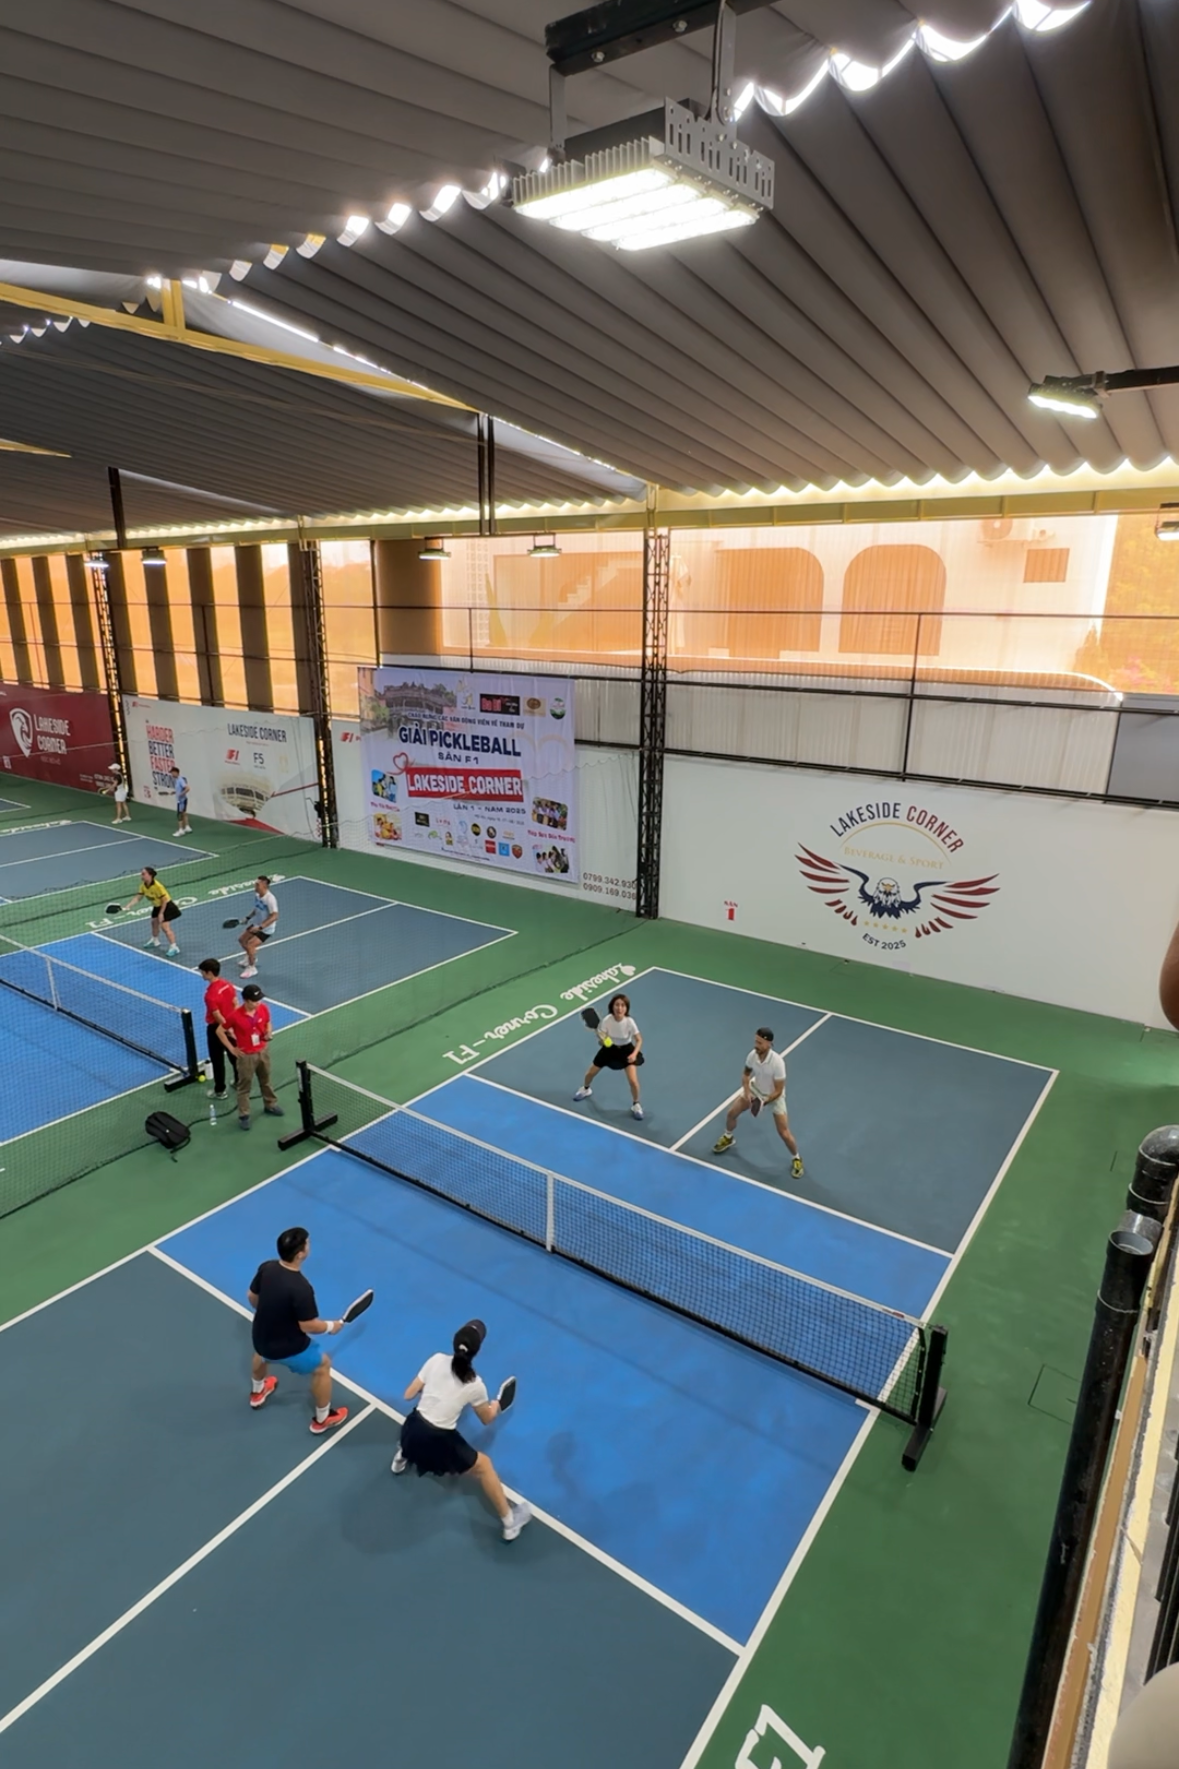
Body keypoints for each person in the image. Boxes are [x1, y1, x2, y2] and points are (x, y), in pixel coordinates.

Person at [391, 1319, 530, 1542]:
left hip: (411, 1430)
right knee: (485, 1466)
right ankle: (510, 1523)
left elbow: (408, 1394)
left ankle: (401, 1458)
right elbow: (487, 1419)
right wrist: (496, 1406)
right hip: (438, 1441)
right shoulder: (475, 1385)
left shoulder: (435, 1359)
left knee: (417, 1423)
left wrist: (434, 1392)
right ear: (477, 1350)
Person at [246, 1226, 348, 1434]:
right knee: (323, 1365)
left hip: (261, 1336)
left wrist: (269, 1315)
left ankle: (258, 1392)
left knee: (261, 1354)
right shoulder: (301, 1288)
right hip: (287, 1347)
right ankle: (323, 1418)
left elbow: (252, 1297)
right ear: (301, 1254)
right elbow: (308, 1325)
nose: (309, 1245)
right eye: (307, 1243)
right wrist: (331, 1327)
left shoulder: (267, 1268)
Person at [712, 1026, 804, 1177]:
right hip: (755, 1090)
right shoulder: (752, 1055)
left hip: (773, 1097)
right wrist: (747, 1092)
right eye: (756, 1041)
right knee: (731, 1113)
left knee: (784, 1132)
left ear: (769, 1044)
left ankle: (796, 1158)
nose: (756, 1045)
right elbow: (746, 1075)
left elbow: (778, 1090)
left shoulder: (778, 1063)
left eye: (760, 1043)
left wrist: (763, 1102)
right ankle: (728, 1137)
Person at [219, 981, 284, 1129]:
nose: (258, 1002)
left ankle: (270, 1104)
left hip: (263, 1051)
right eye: (255, 1000)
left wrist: (269, 1031)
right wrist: (231, 1049)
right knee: (244, 1086)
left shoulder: (263, 1008)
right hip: (246, 1056)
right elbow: (220, 1031)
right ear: (246, 1000)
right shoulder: (235, 1016)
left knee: (266, 1080)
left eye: (259, 999)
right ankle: (244, 1115)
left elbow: (268, 1022)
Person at [573, 991, 645, 1120]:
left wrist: (634, 1054)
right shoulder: (607, 1021)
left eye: (622, 1005)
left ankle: (636, 1104)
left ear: (626, 1008)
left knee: (633, 1082)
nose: (619, 1008)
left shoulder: (629, 1022)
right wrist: (603, 1041)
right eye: (617, 1005)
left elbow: (639, 1040)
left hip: (627, 1051)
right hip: (609, 1050)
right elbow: (604, 1040)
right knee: (590, 1073)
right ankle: (586, 1089)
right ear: (612, 1006)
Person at [198, 957, 237, 1102]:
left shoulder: (210, 995)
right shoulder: (228, 984)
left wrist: (227, 1029)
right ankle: (239, 1082)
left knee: (217, 1060)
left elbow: (217, 1015)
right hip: (231, 1024)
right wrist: (233, 1025)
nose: (201, 974)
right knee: (234, 1055)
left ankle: (220, 1090)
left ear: (209, 973)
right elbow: (235, 1003)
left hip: (216, 1029)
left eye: (202, 972)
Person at [122, 865, 181, 956]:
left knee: (165, 927)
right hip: (157, 906)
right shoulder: (143, 886)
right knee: (154, 922)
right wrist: (128, 906)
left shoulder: (158, 886)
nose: (141, 876)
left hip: (167, 907)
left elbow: (164, 900)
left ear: (150, 875)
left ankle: (174, 947)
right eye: (141, 874)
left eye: (143, 874)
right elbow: (138, 897)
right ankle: (155, 940)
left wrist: (161, 913)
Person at [237, 875, 279, 979]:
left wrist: (260, 927)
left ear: (264, 885)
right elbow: (257, 908)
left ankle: (252, 968)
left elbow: (275, 916)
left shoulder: (270, 899)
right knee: (242, 940)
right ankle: (250, 957)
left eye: (257, 884)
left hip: (266, 929)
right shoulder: (257, 895)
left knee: (251, 945)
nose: (255, 886)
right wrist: (247, 918)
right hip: (256, 923)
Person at [169, 763, 191, 836]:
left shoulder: (180, 780)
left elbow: (187, 788)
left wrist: (181, 794)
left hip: (181, 801)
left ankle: (181, 830)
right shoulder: (178, 780)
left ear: (176, 772)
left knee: (179, 815)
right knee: (184, 813)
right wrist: (175, 792)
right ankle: (187, 827)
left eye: (172, 773)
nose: (172, 774)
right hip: (183, 800)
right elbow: (180, 789)